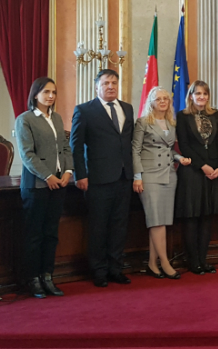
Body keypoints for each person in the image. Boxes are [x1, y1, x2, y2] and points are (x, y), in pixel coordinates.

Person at [70, 69, 135, 288]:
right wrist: (81, 175)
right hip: (97, 179)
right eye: (106, 83)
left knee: (119, 226)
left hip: (124, 178)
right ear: (96, 86)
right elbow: (76, 146)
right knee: (98, 227)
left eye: (114, 82)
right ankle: (98, 271)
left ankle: (116, 268)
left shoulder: (127, 108)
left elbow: (129, 144)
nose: (110, 86)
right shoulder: (84, 110)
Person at [14, 77, 73, 298]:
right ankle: (33, 279)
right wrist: (47, 175)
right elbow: (27, 155)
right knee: (34, 235)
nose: (51, 96)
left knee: (51, 234)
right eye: (46, 92)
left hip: (59, 185)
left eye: (54, 92)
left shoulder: (56, 118)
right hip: (37, 185)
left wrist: (68, 172)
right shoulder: (25, 120)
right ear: (35, 94)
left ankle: (48, 276)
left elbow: (66, 148)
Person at [132, 86, 189, 280]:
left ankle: (151, 263)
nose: (163, 101)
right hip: (149, 176)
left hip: (169, 175)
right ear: (151, 102)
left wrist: (179, 158)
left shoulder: (171, 123)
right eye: (158, 99)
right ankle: (165, 262)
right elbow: (135, 151)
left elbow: (168, 150)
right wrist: (137, 177)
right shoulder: (142, 122)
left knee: (161, 221)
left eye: (166, 98)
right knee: (156, 221)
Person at [176, 80, 218, 276]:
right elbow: (185, 146)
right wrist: (203, 166)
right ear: (191, 96)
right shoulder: (182, 116)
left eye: (204, 94)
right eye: (197, 94)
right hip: (192, 172)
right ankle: (193, 262)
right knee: (192, 218)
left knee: (207, 217)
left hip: (213, 173)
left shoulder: (216, 114)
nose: (201, 97)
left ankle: (203, 261)